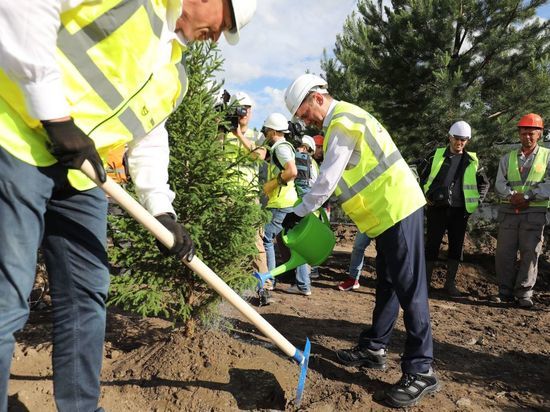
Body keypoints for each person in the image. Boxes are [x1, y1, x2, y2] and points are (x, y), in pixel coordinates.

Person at [0, 0, 256, 410]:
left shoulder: (174, 73)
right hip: (15, 141)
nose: (221, 35)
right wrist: (53, 114)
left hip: (80, 178)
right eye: (226, 23)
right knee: (6, 298)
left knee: (87, 296)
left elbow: (148, 136)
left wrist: (162, 211)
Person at [283, 74, 439, 408]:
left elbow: (327, 179)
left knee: (410, 289)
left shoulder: (344, 121)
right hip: (385, 214)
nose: (304, 120)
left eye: (303, 112)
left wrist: (299, 211)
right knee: (388, 283)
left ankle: (421, 370)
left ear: (318, 97)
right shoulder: (341, 122)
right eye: (299, 117)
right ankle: (374, 347)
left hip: (398, 207)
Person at [418, 121, 489, 297]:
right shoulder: (436, 155)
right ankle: (424, 284)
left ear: (467, 141)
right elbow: (419, 175)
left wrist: (476, 201)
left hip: (460, 211)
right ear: (450, 137)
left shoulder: (472, 160)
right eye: (457, 139)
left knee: (456, 247)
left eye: (463, 140)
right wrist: (425, 197)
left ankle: (450, 285)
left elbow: (484, 183)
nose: (459, 143)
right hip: (437, 208)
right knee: (432, 244)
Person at [493, 113, 549, 309]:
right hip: (509, 211)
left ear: (539, 134)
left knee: (530, 253)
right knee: (504, 253)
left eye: (531, 133)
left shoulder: (547, 156)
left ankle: (524, 293)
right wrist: (511, 196)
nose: (527, 136)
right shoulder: (507, 158)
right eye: (524, 132)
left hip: (534, 213)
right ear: (519, 133)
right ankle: (504, 292)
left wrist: (527, 196)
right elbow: (499, 182)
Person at [261, 113, 312, 296]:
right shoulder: (286, 147)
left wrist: (271, 184)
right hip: (289, 202)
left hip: (281, 203)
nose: (265, 134)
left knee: (265, 239)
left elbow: (292, 171)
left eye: (266, 131)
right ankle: (303, 285)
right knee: (293, 243)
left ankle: (268, 281)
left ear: (273, 131)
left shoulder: (281, 147)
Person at [223, 91, 268, 273]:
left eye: (248, 109)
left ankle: (264, 285)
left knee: (256, 241)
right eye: (242, 109)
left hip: (249, 197)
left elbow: (260, 156)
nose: (245, 113)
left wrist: (239, 135)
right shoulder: (223, 134)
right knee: (229, 241)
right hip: (227, 195)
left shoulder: (257, 136)